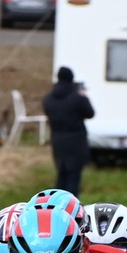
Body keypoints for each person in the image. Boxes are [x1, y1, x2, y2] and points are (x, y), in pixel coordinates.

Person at [43, 67, 95, 197]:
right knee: (74, 177)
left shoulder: (48, 99)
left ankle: (56, 203)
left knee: (61, 175)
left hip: (57, 140)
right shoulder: (77, 98)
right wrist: (83, 96)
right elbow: (90, 113)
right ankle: (72, 207)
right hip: (76, 141)